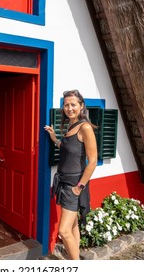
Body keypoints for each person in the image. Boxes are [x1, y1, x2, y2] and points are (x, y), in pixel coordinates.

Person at [44, 89, 97, 260]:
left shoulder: (85, 127)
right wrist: (54, 138)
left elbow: (93, 160)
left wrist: (79, 187)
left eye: (73, 104)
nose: (69, 108)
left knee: (63, 231)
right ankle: (77, 258)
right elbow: (68, 150)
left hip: (74, 185)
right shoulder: (70, 126)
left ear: (81, 106)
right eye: (66, 105)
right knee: (73, 225)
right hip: (64, 183)